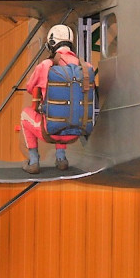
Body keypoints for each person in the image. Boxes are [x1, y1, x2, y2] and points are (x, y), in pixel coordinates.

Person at [20, 24, 91, 174]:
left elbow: (29, 87)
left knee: (25, 115)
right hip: (76, 133)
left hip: (49, 132)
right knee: (68, 108)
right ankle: (61, 158)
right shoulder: (85, 67)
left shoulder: (46, 65)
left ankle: (33, 161)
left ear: (52, 43)